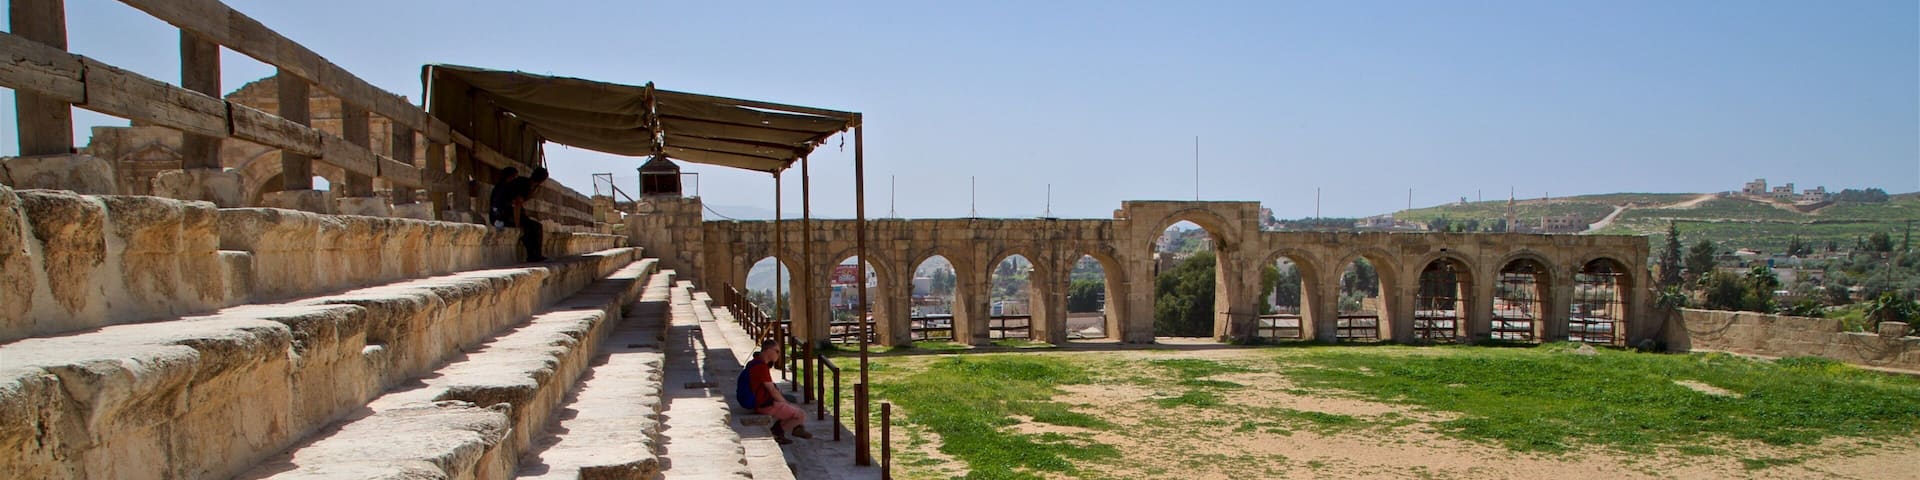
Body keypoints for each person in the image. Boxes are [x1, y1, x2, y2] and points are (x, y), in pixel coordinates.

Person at [738, 338, 811, 444]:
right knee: (800, 415)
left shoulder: (755, 362)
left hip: (760, 400)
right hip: (764, 404)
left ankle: (795, 428)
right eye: (776, 351)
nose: (778, 354)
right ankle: (777, 433)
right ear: (768, 351)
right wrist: (785, 403)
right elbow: (772, 390)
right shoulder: (761, 367)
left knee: (792, 400)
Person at [489, 167, 547, 262]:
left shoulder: (525, 184)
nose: (515, 179)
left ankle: (535, 254)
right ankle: (533, 255)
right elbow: (517, 204)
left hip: (503, 215)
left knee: (534, 226)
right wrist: (517, 224)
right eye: (514, 176)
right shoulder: (522, 185)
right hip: (501, 217)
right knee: (531, 227)